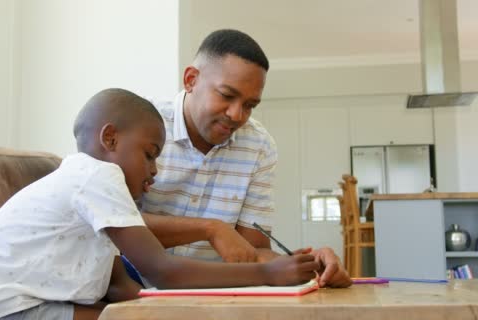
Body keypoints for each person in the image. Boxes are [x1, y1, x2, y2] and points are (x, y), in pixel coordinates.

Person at [0, 88, 322, 320]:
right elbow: (163, 271)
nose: (155, 170)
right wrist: (268, 276)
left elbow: (125, 289)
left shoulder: (94, 197)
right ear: (110, 138)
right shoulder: (96, 176)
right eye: (150, 154)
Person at [140, 29, 352, 288]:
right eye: (227, 95)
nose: (237, 115)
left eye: (250, 105)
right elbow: (110, 221)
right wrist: (211, 228)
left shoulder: (259, 146)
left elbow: (253, 251)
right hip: (131, 291)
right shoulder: (139, 124)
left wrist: (307, 265)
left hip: (214, 296)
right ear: (191, 80)